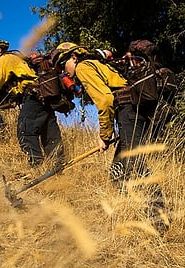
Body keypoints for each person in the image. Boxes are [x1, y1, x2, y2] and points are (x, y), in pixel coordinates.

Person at [53, 40, 169, 230]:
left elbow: (105, 100)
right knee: (117, 170)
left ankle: (159, 220)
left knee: (134, 162)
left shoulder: (83, 67)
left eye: (63, 64)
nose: (64, 72)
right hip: (133, 110)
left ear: (73, 57)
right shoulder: (98, 64)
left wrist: (104, 136)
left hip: (128, 111)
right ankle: (132, 208)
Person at [0, 35, 65, 167]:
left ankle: (37, 167)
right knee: (51, 138)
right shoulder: (16, 59)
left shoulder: (5, 59)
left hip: (34, 97)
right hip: (43, 98)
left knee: (25, 131)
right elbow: (23, 82)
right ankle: (58, 170)